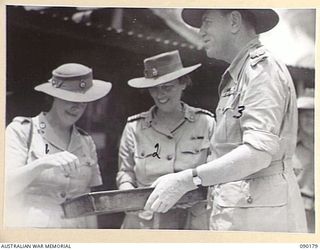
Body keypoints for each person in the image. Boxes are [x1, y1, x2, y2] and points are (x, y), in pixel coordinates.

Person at [145, 9, 307, 232]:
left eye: (206, 22)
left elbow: (257, 154)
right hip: (240, 211)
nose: (200, 31)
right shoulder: (238, 75)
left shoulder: (261, 70)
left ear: (233, 21)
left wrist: (186, 180)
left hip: (261, 221)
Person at [5, 63, 112, 228]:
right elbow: (7, 188)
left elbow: (88, 201)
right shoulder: (23, 131)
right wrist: (41, 164)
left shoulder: (86, 142)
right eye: (70, 99)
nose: (77, 107)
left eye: (83, 102)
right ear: (53, 96)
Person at [117, 50, 215, 229]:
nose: (160, 94)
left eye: (167, 87)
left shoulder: (206, 123)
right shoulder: (134, 127)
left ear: (183, 83)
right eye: (154, 88)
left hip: (192, 224)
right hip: (145, 224)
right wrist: (126, 189)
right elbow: (126, 172)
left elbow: (216, 171)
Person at [293, 88, 315, 233]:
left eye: (315, 115)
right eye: (306, 115)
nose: (311, 120)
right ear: (298, 117)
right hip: (297, 211)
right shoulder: (289, 148)